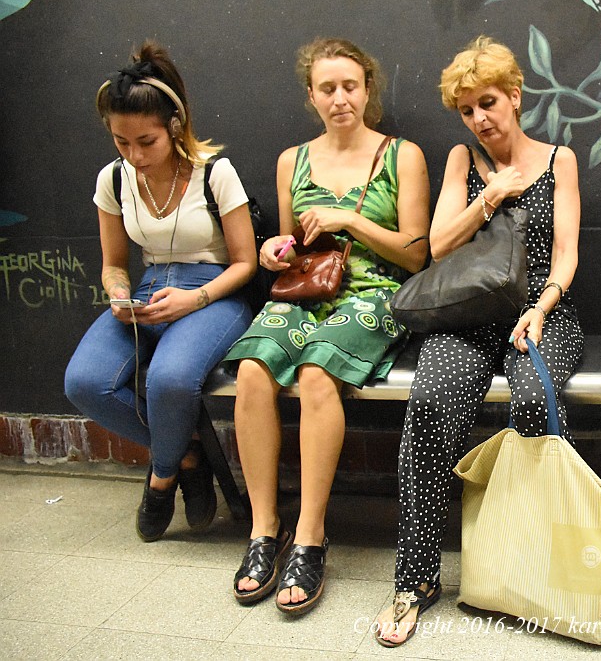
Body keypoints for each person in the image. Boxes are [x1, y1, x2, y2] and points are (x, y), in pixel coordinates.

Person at [373, 35, 584, 648]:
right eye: (467, 110)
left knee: (533, 405)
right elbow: (438, 247)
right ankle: (415, 580)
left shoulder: (559, 160)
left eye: (488, 103)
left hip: (543, 311)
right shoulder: (464, 161)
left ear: (515, 97)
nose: (479, 119)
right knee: (433, 399)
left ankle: (525, 567)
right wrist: (491, 195)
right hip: (467, 314)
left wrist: (541, 309)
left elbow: (566, 256)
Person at [225, 37, 430, 616]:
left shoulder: (401, 155)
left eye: (350, 86)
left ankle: (310, 536)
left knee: (316, 371)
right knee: (253, 367)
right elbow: (294, 248)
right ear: (311, 96)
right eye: (327, 89)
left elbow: (417, 254)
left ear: (368, 90)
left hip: (374, 294)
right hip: (307, 291)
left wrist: (349, 218)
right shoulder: (294, 159)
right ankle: (265, 529)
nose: (340, 99)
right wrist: (273, 252)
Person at [65, 41, 257, 542]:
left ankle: (162, 478)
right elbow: (112, 264)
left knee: (171, 381)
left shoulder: (215, 172)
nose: (134, 155)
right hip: (147, 290)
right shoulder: (113, 179)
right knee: (85, 382)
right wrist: (117, 291)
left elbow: (246, 263)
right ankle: (188, 453)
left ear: (174, 127)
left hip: (215, 292)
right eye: (121, 142)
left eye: (145, 142)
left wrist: (194, 299)